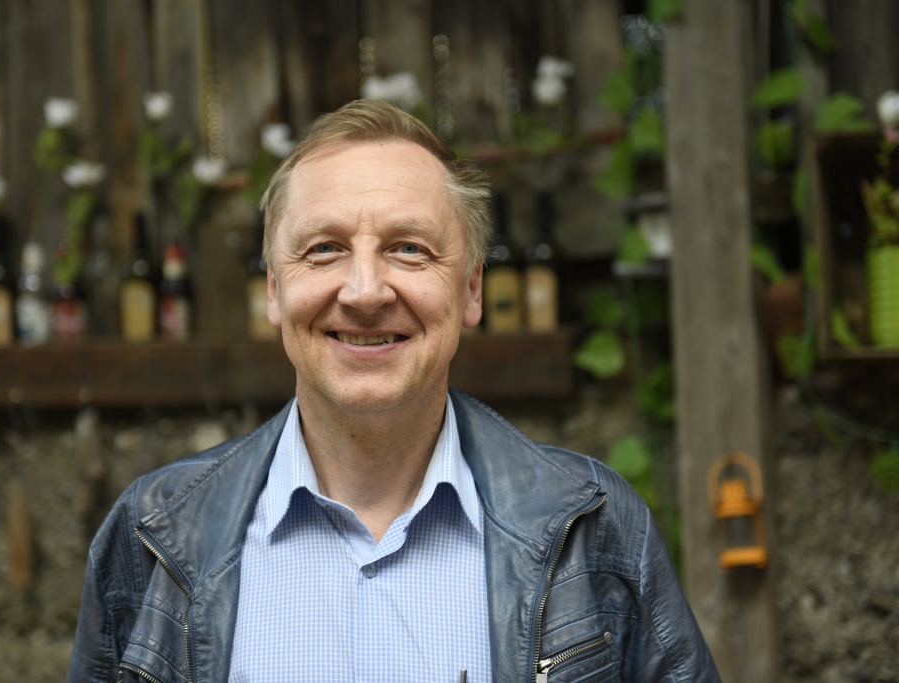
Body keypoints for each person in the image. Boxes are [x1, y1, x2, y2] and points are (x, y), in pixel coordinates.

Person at [67, 100, 720, 683]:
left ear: (471, 289)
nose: (365, 292)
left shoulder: (596, 529)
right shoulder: (154, 535)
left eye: (409, 249)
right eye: (324, 248)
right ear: (273, 289)